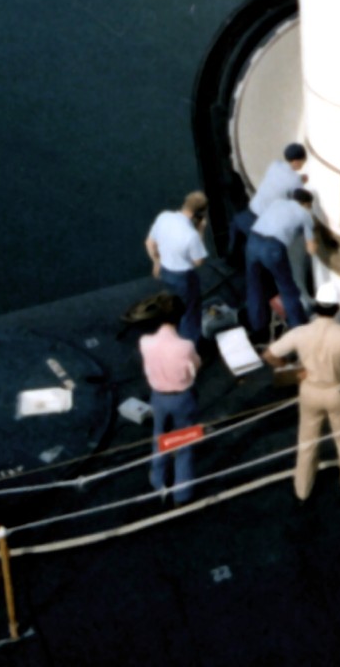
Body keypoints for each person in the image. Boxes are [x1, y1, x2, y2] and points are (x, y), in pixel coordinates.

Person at [264, 281, 340, 501]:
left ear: (317, 306)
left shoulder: (301, 332)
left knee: (307, 441)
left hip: (310, 391)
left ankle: (302, 488)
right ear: (337, 308)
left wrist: (289, 368)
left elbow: (269, 355)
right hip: (338, 391)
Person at [139, 292, 201, 505]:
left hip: (158, 397)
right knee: (184, 443)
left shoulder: (146, 342)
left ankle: (158, 481)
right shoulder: (185, 347)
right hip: (182, 397)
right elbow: (195, 368)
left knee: (159, 438)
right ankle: (183, 493)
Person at [244, 187, 318, 338]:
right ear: (306, 203)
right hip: (272, 248)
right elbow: (310, 249)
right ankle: (298, 329)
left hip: (252, 242)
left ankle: (258, 327)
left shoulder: (277, 203)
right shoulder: (305, 214)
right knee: (288, 289)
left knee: (254, 286)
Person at [144, 192, 210, 345]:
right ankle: (189, 345)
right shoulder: (191, 235)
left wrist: (156, 262)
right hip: (183, 278)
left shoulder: (164, 217)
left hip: (164, 271)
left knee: (173, 305)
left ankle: (171, 336)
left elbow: (149, 243)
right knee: (190, 310)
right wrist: (200, 231)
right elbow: (199, 261)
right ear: (200, 213)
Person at [230, 142, 309, 252]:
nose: (303, 165)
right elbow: (295, 200)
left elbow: (281, 180)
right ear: (296, 162)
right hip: (261, 222)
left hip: (251, 210)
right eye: (302, 162)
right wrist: (300, 181)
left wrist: (299, 179)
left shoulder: (275, 165)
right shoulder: (295, 181)